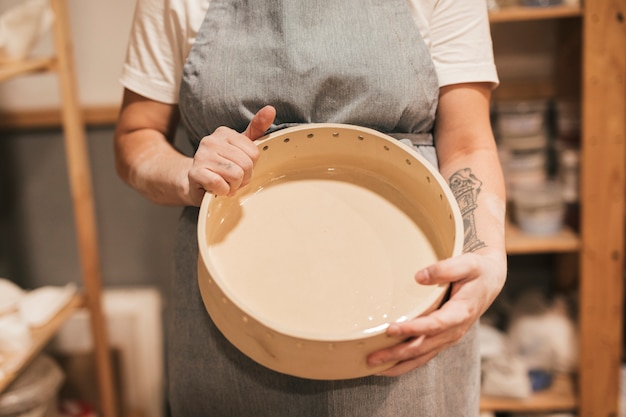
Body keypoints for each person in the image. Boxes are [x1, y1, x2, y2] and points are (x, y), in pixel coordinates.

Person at [113, 0, 507, 415]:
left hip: (408, 302)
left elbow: (467, 144)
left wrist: (486, 254)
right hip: (230, 302)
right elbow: (136, 138)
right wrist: (187, 174)